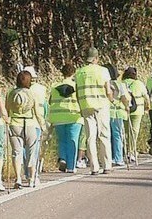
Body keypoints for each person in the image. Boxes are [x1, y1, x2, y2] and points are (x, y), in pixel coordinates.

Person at [75, 47, 114, 175]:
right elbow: (108, 90)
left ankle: (94, 167)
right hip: (101, 104)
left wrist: (81, 106)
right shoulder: (103, 71)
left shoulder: (79, 72)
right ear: (96, 58)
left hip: (86, 105)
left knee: (90, 137)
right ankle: (107, 165)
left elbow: (77, 91)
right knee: (104, 135)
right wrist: (112, 99)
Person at [5, 71, 47, 187]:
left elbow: (7, 110)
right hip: (29, 124)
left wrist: (7, 122)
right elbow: (38, 113)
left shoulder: (10, 93)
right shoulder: (32, 94)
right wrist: (43, 126)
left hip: (15, 124)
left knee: (16, 152)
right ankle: (32, 178)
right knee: (32, 152)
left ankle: (18, 178)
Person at [50, 65, 83, 173]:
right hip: (74, 116)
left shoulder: (54, 86)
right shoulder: (76, 86)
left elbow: (50, 101)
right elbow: (80, 100)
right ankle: (71, 166)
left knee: (62, 140)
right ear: (73, 73)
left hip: (58, 117)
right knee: (72, 140)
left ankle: (63, 158)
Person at [105, 64, 131, 166]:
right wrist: (127, 106)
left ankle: (109, 157)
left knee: (108, 136)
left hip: (106, 112)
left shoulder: (104, 84)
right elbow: (125, 98)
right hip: (117, 112)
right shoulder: (120, 84)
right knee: (118, 136)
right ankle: (118, 157)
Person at [123, 67, 149, 162]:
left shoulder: (122, 83)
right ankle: (132, 151)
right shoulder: (139, 83)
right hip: (138, 110)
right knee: (134, 131)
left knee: (126, 131)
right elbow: (146, 97)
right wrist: (148, 107)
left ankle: (126, 150)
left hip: (125, 110)